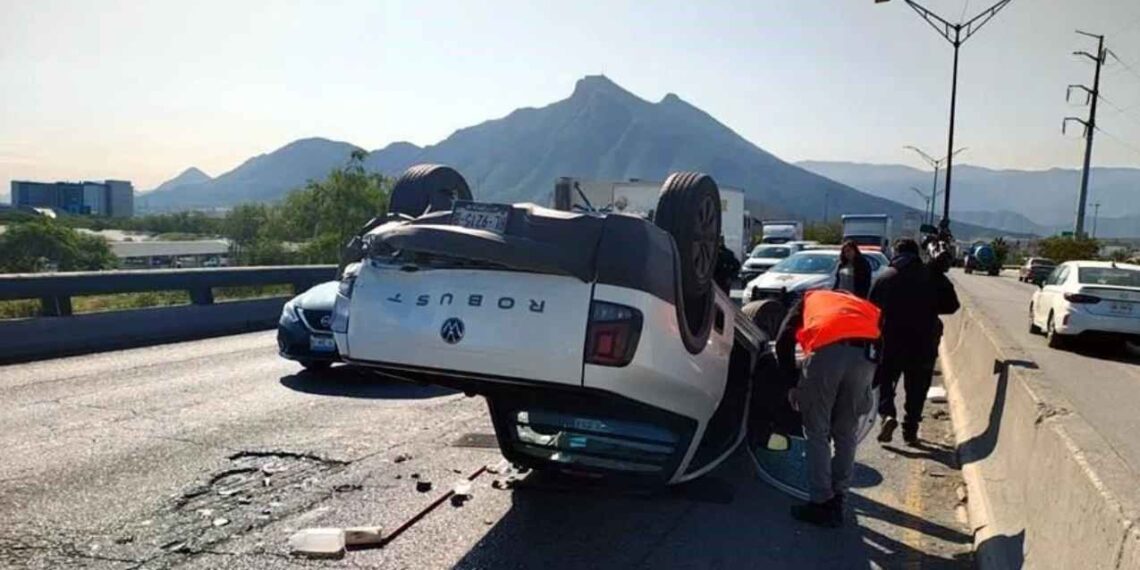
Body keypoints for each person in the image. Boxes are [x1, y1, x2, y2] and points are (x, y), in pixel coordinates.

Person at [775, 289, 882, 528]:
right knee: (846, 433)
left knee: (817, 431)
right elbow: (884, 345)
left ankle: (821, 502)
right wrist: (869, 384)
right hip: (865, 360)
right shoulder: (861, 305)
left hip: (827, 356)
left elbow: (783, 340)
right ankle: (839, 497)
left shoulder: (810, 300)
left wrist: (791, 384)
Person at [871, 238, 960, 445]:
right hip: (923, 341)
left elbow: (871, 309)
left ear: (897, 253)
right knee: (917, 387)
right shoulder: (932, 276)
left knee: (884, 381)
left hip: (891, 341)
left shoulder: (886, 277)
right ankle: (910, 430)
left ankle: (887, 415)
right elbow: (952, 305)